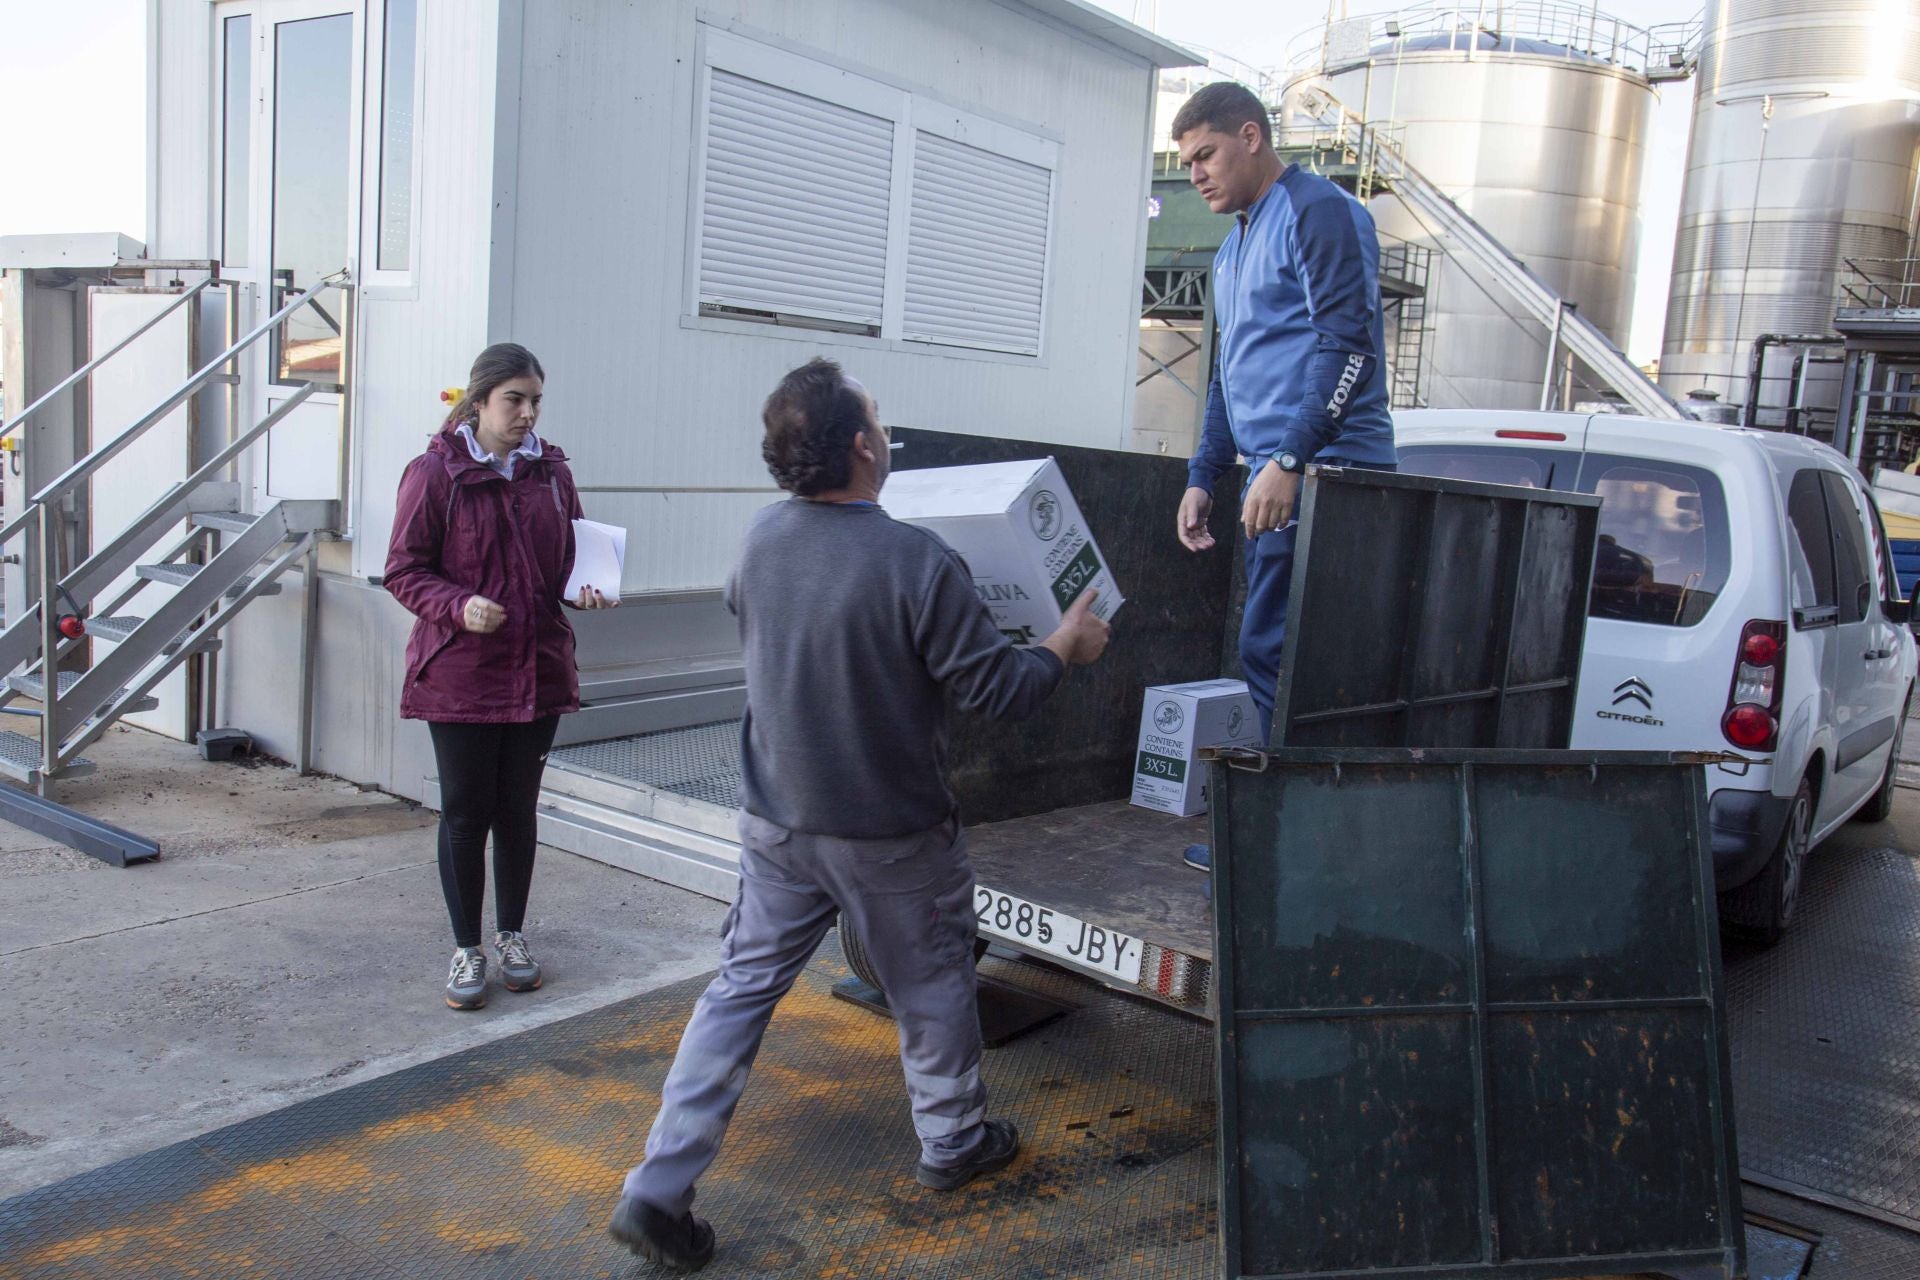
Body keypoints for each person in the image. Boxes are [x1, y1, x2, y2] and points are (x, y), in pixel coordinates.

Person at [606, 358, 1111, 1272]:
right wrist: (1063, 646)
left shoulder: (759, 542)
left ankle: (656, 1188)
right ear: (863, 448)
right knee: (930, 984)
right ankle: (954, 1142)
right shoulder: (916, 561)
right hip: (892, 840)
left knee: (738, 993)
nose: (887, 432)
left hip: (775, 827)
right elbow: (1000, 690)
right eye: (879, 421)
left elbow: (771, 622)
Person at [1171, 82, 1397, 872]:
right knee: (1268, 657)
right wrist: (1206, 473)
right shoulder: (1235, 247)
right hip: (1279, 479)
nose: (1195, 173)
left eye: (1205, 154)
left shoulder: (1317, 210)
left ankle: (1281, 853)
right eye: (1185, 161)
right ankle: (1274, 843)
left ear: (1251, 136)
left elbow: (1349, 346)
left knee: (1295, 662)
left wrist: (1293, 460)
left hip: (1334, 476)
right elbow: (1229, 380)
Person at [385, 343, 618, 1010]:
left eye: (535, 400)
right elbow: (403, 570)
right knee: (466, 812)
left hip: (536, 667)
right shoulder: (436, 474)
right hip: (460, 672)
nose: (527, 413)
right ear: (479, 400)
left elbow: (572, 558)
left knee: (517, 809)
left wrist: (587, 590)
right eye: (514, 399)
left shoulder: (551, 473)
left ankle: (512, 934)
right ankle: (468, 949)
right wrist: (457, 605)